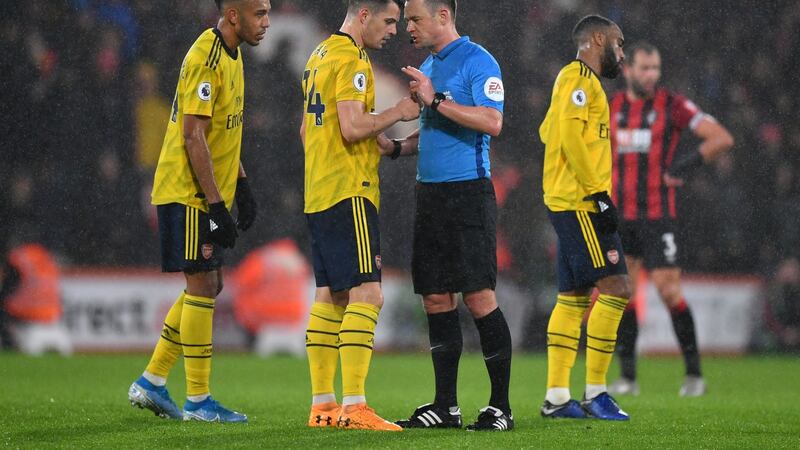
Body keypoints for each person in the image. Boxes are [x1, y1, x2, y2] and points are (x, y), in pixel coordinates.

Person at [127, 0, 271, 423]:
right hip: (188, 193)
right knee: (203, 284)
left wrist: (241, 185)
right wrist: (214, 205)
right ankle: (198, 401)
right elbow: (193, 138)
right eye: (259, 14)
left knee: (208, 285)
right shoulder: (205, 56)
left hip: (205, 193)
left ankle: (153, 381)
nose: (266, 22)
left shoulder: (235, 54)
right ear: (232, 15)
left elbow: (224, 132)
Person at [389, 0, 513, 431]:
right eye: (406, 20)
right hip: (430, 195)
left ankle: (501, 407)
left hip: (468, 193)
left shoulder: (479, 61)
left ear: (444, 16)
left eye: (415, 19)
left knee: (478, 297)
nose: (408, 27)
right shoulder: (428, 65)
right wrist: (397, 147)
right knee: (436, 298)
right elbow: (432, 130)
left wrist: (436, 98)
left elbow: (492, 121)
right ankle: (446, 406)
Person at [301, 0, 419, 432]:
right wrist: (398, 114)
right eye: (389, 21)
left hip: (319, 189)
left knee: (330, 296)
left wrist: (380, 141)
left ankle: (322, 404)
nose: (393, 31)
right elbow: (351, 127)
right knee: (368, 295)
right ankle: (355, 405)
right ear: (364, 15)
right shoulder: (352, 59)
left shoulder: (319, 55)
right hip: (350, 189)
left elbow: (307, 129)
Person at [607, 42, 734, 397]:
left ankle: (694, 374)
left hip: (658, 216)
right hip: (621, 217)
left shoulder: (671, 105)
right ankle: (628, 378)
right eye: (645, 68)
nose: (652, 75)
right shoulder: (612, 107)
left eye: (656, 68)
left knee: (667, 289)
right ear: (628, 69)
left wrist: (684, 165)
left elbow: (722, 138)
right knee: (624, 294)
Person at [538, 15, 631, 421]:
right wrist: (598, 192)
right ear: (598, 39)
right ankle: (596, 392)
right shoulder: (577, 78)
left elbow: (547, 132)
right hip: (581, 202)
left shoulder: (575, 82)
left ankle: (557, 397)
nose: (622, 53)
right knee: (617, 286)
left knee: (573, 298)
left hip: (567, 199)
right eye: (619, 43)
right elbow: (572, 137)